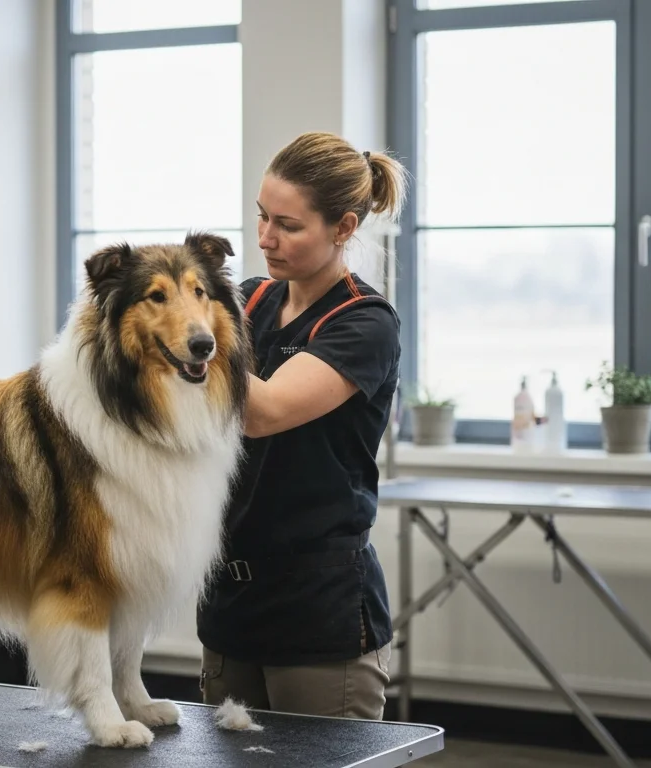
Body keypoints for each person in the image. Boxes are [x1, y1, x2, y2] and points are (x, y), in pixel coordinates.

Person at [196, 131, 407, 720]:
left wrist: (187, 334)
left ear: (342, 228)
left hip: (318, 612)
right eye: (262, 217)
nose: (265, 238)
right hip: (230, 603)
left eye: (288, 225)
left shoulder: (364, 323)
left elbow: (261, 414)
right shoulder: (248, 300)